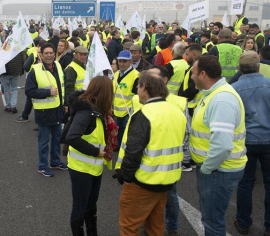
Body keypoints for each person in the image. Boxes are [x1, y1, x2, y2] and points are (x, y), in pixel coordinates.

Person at [114, 71, 186, 236]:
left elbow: (133, 152)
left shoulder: (144, 114)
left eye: (138, 86)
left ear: (144, 87)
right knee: (155, 227)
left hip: (143, 181)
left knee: (129, 227)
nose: (137, 91)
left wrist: (124, 175)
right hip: (167, 180)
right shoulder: (176, 111)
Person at [189, 55, 247, 235]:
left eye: (193, 73)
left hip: (218, 170)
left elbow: (222, 144)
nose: (191, 77)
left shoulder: (221, 99)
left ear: (203, 74)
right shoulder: (214, 94)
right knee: (211, 218)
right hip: (218, 169)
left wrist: (207, 168)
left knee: (213, 221)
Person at [64, 76, 114, 236]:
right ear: (104, 93)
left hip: (93, 168)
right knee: (80, 206)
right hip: (81, 168)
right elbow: (72, 137)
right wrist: (96, 152)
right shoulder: (86, 111)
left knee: (91, 204)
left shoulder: (96, 110)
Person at [230, 51, 270, 235]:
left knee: (246, 183)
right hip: (268, 139)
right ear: (259, 66)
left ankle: (244, 222)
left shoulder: (235, 88)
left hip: (245, 141)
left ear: (239, 68)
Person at [26, 43, 67, 177]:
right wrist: (47, 92)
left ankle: (55, 161)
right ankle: (42, 165)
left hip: (58, 110)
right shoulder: (35, 70)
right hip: (44, 112)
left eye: (51, 53)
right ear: (41, 55)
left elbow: (62, 87)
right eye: (46, 53)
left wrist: (65, 103)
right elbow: (29, 91)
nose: (49, 55)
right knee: (44, 141)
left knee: (57, 138)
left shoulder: (58, 66)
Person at [113, 50, 139, 151]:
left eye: (124, 61)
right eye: (120, 61)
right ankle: (120, 148)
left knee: (126, 135)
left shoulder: (136, 76)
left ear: (130, 62)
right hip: (117, 111)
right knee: (119, 134)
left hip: (128, 112)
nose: (121, 64)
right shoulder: (116, 74)